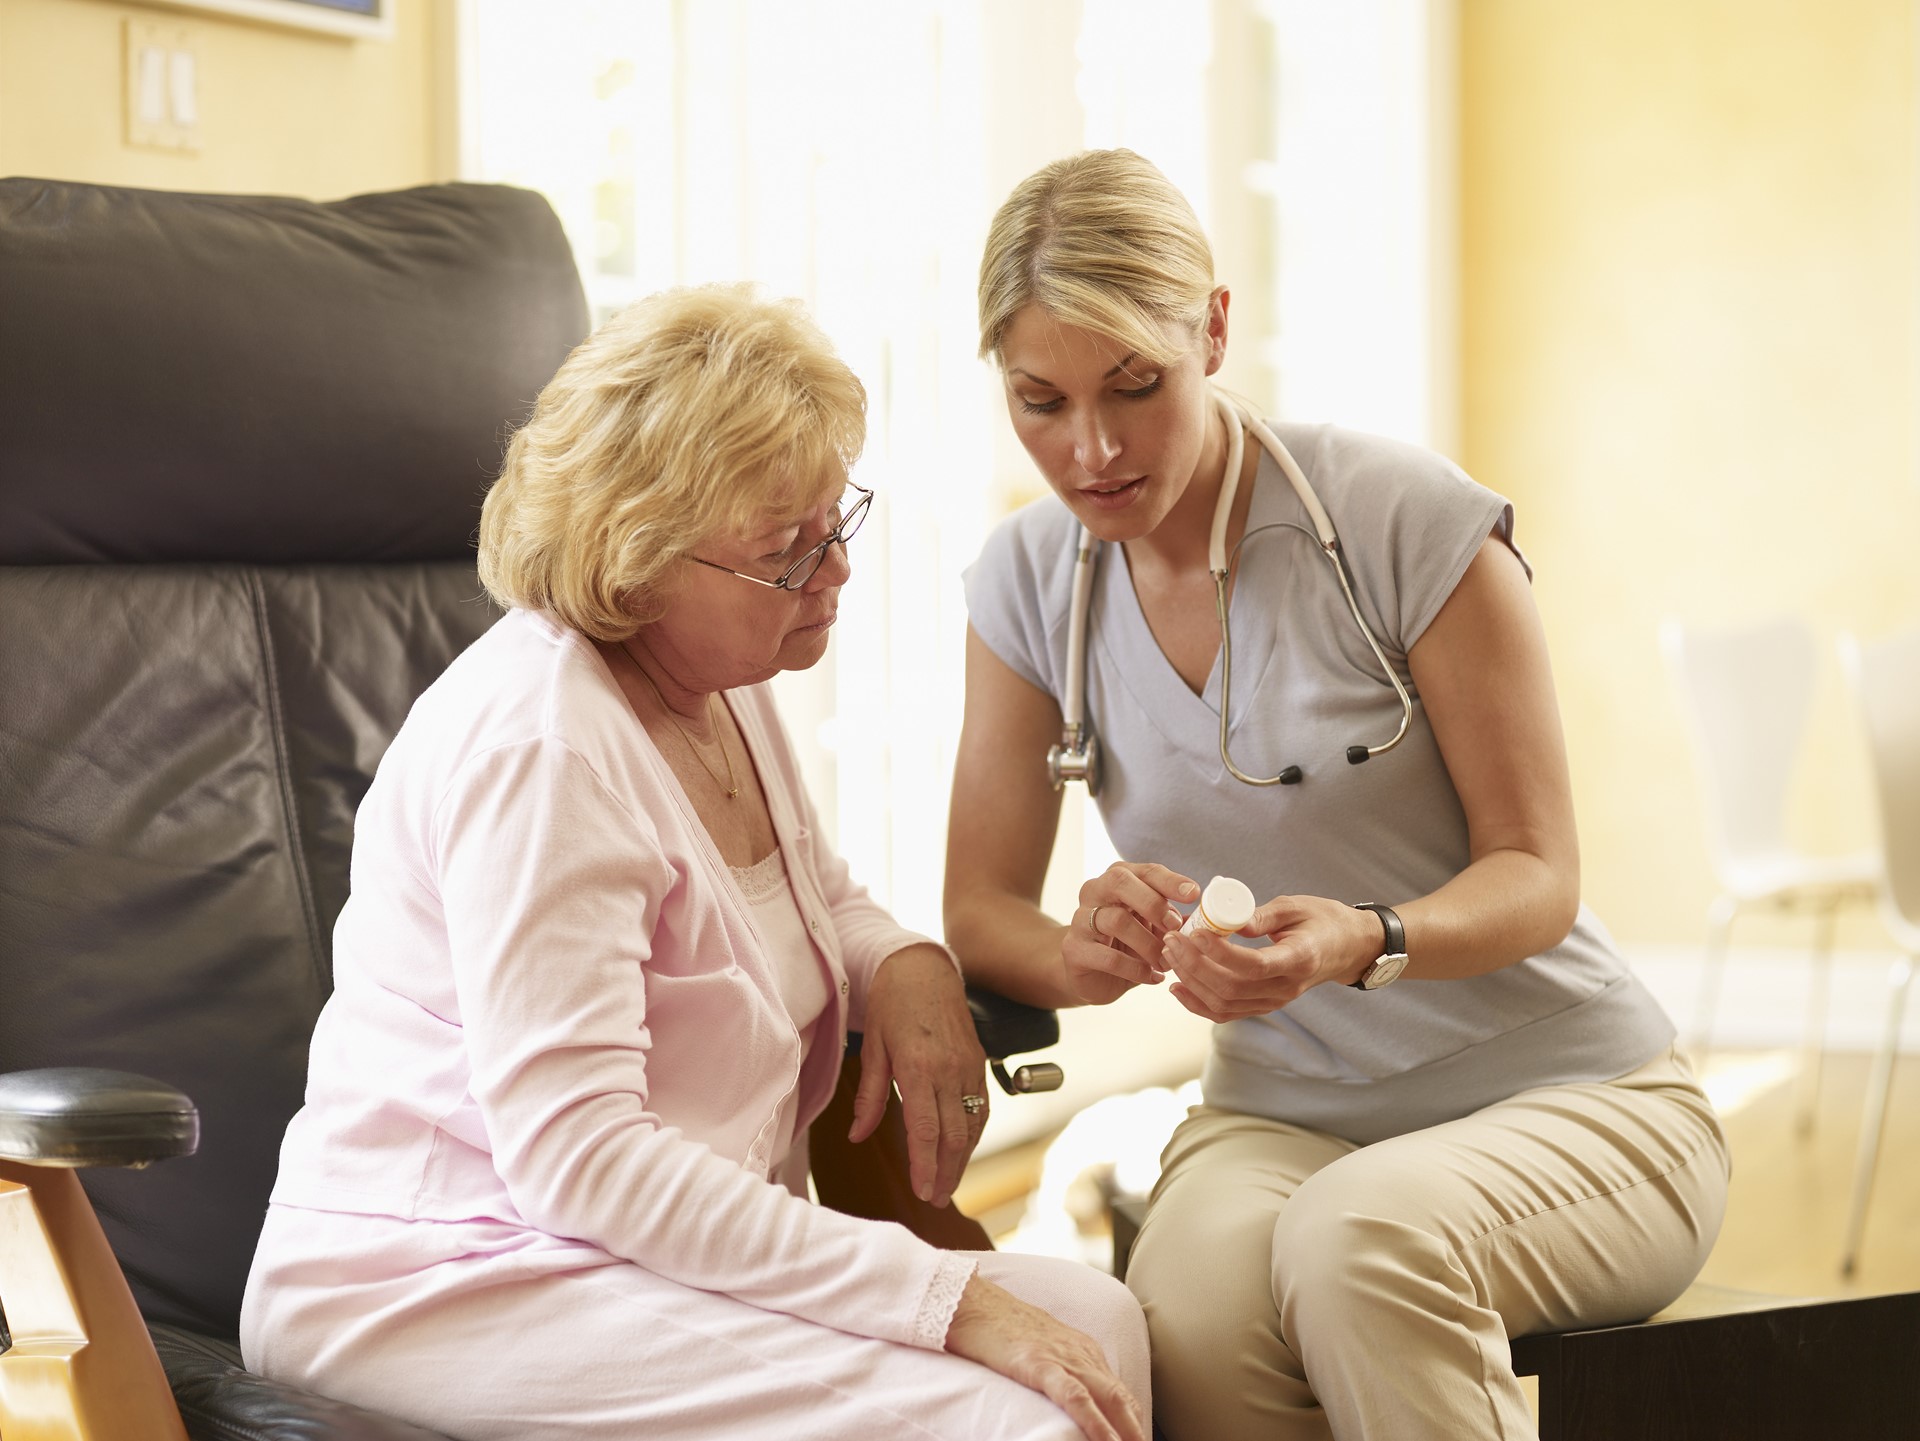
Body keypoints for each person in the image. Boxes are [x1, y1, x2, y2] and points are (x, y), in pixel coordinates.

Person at [240, 283, 1149, 1441]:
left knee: (1097, 1324)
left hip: (622, 1250)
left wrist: (907, 964)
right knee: (1011, 1412)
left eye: (836, 520)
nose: (837, 572)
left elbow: (812, 899)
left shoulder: (713, 683)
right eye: (788, 550)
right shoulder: (547, 754)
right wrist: (939, 1300)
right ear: (636, 567)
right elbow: (582, 1160)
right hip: (453, 1274)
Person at [945, 148, 1730, 1441]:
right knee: (1177, 1316)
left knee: (1358, 1243)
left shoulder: (1401, 521)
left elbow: (1539, 873)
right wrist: (1086, 952)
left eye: (1135, 386)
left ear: (1212, 327)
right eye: (1041, 400)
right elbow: (982, 911)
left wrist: (1369, 937)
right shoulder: (1027, 584)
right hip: (1283, 1119)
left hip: (1576, 1097)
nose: (1090, 448)